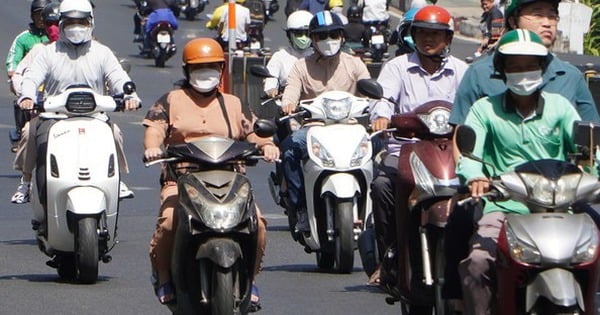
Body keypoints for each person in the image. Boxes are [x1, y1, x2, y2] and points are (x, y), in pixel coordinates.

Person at [443, 0, 600, 307]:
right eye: (514, 66)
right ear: (502, 71)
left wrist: (592, 175)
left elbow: (587, 145)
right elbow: (468, 147)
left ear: (543, 69)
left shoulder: (560, 107)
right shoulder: (484, 109)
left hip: (561, 207)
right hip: (505, 206)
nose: (523, 72)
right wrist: (475, 176)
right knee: (477, 263)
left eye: (530, 65)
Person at [142, 37, 279, 306]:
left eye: (212, 67)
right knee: (169, 221)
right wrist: (153, 147)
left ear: (221, 69)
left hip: (230, 179)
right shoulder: (170, 100)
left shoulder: (234, 103)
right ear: (187, 71)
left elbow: (253, 132)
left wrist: (267, 145)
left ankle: (250, 279)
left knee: (258, 224)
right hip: (182, 178)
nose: (205, 73)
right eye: (198, 68)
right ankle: (164, 276)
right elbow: (154, 130)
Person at [368, 5, 467, 287]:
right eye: (422, 33)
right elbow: (383, 98)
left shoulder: (462, 70)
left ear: (448, 39)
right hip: (405, 150)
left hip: (452, 153)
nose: (428, 39)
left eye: (435, 34)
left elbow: (475, 106)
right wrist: (382, 116)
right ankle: (391, 256)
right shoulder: (397, 67)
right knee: (383, 186)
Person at [13, 0, 140, 204]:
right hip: (54, 117)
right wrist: (27, 97)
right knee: (29, 132)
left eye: (81, 22)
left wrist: (130, 96)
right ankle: (26, 182)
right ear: (61, 23)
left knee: (114, 133)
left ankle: (117, 180)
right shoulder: (48, 52)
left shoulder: (102, 52)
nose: (76, 27)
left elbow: (118, 77)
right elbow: (31, 78)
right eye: (70, 22)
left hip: (95, 116)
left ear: (90, 23)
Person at [280, 10, 371, 232]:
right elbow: (291, 91)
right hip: (314, 129)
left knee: (379, 150)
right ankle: (300, 207)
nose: (328, 41)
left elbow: (370, 89)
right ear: (312, 39)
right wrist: (289, 103)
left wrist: (376, 107)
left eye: (333, 35)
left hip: (351, 128)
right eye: (322, 36)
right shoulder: (301, 66)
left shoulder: (355, 64)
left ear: (342, 37)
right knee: (289, 150)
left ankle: (372, 209)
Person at [5, 0, 51, 152]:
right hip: (29, 81)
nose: (41, 19)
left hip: (51, 82)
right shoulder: (23, 38)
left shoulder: (55, 37)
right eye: (38, 15)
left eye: (44, 16)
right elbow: (13, 61)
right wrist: (14, 73)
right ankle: (20, 132)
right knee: (22, 99)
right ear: (32, 16)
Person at [263, 10, 314, 98]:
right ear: (289, 35)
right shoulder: (280, 56)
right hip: (288, 103)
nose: (303, 37)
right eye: (299, 34)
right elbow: (271, 77)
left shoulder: (319, 56)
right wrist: (271, 89)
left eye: (307, 33)